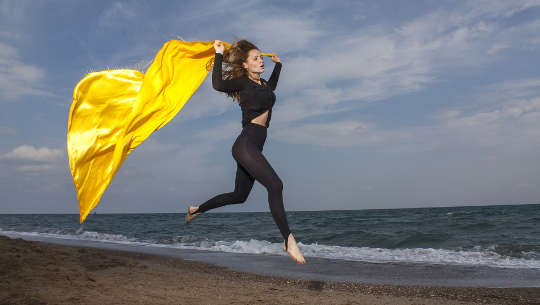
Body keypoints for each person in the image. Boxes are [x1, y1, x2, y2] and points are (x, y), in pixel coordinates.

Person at [185, 39, 306, 264]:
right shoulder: (242, 83)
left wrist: (278, 65)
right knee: (276, 185)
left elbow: (272, 87)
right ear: (245, 64)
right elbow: (218, 85)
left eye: (261, 57)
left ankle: (197, 209)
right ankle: (288, 239)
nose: (261, 61)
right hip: (246, 144)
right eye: (256, 58)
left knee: (239, 196)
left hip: (255, 145)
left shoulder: (264, 86)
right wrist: (219, 54)